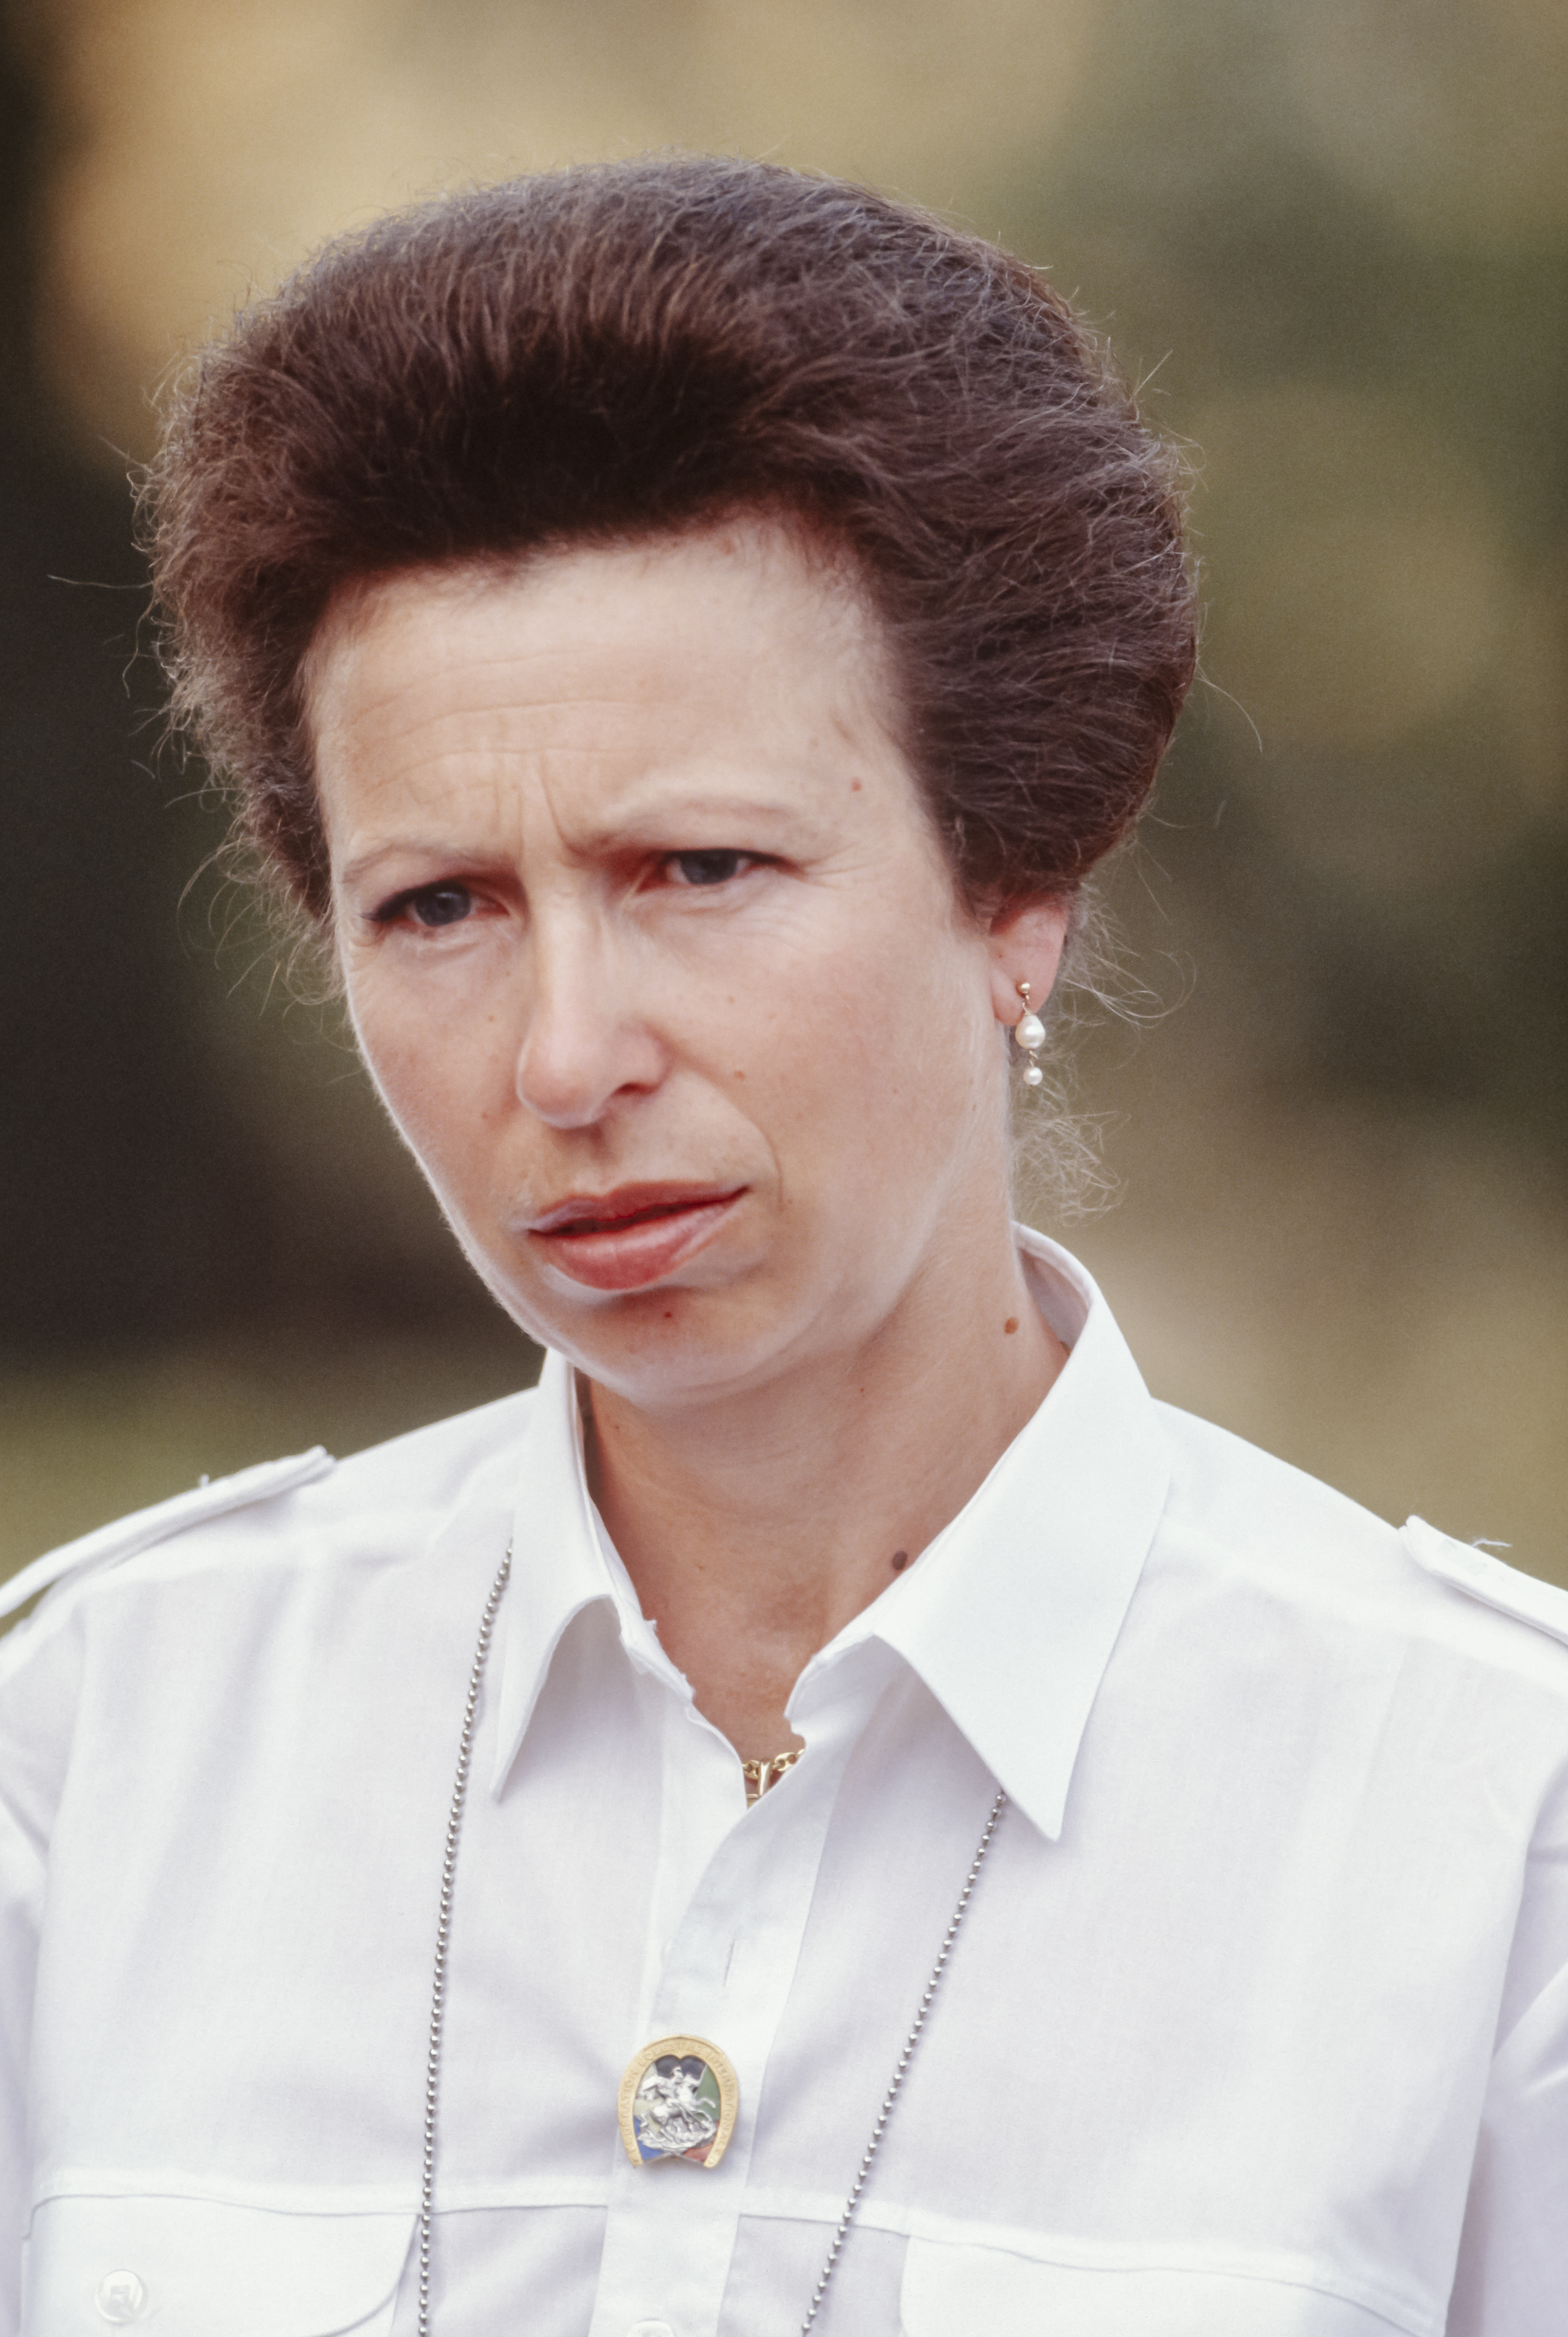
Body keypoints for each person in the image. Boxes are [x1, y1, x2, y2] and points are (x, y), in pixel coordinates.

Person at [1, 156, 1564, 2337]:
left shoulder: (1486, 1818)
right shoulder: (100, 1745)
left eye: (700, 866)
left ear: (1016, 879)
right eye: (436, 905)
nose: (563, 1055)